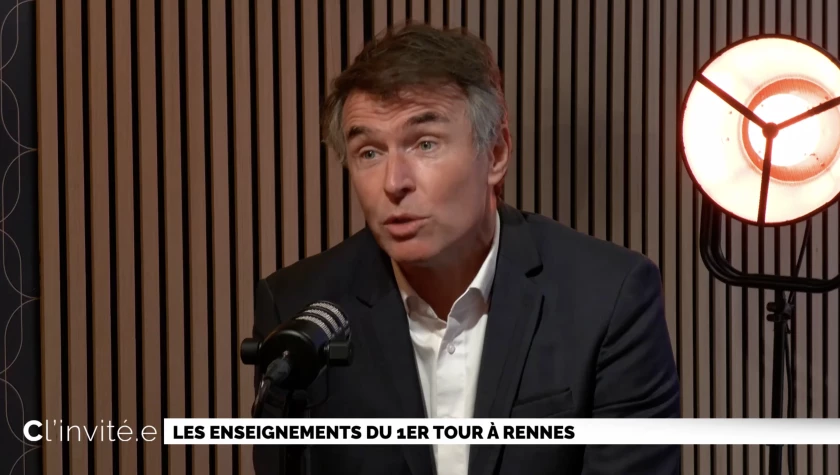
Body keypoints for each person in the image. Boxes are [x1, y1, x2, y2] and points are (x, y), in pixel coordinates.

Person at [252, 22, 680, 475]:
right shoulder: (299, 306)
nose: (394, 183)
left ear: (496, 153)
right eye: (369, 152)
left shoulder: (608, 297)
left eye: (425, 144)